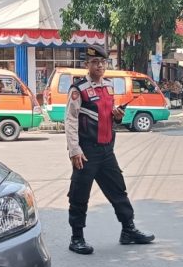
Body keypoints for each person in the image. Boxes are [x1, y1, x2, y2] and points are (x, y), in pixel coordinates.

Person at [65, 44, 155, 255]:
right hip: (86, 151)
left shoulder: (108, 87)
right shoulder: (78, 90)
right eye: (95, 62)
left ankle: (128, 229)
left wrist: (116, 115)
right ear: (87, 64)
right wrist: (74, 150)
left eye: (103, 62)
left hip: (106, 150)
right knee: (79, 195)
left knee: (118, 191)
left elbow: (106, 117)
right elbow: (70, 120)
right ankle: (76, 238)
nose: (100, 66)